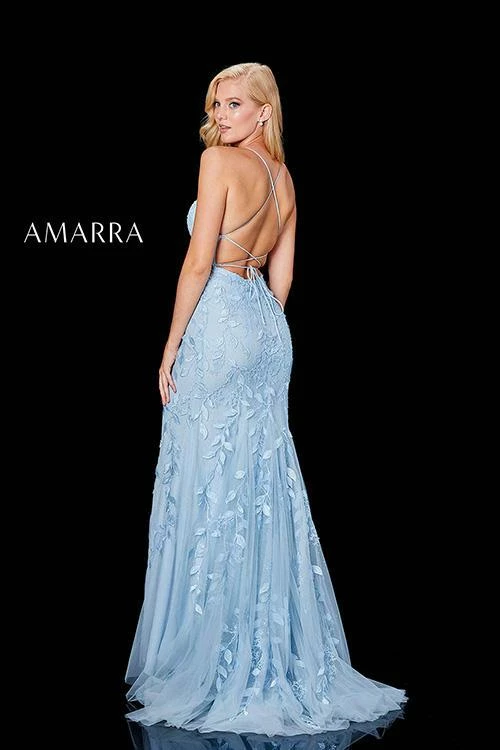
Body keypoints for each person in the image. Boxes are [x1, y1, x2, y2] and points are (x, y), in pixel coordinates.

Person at [125, 62, 406, 737]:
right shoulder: (285, 178)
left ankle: (205, 659)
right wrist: (260, 332)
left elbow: (199, 261)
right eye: (216, 104)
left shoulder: (218, 163)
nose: (220, 116)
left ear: (263, 110)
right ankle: (269, 651)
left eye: (233, 104)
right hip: (266, 327)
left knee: (208, 482)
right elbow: (283, 277)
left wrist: (170, 346)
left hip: (221, 316)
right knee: (259, 485)